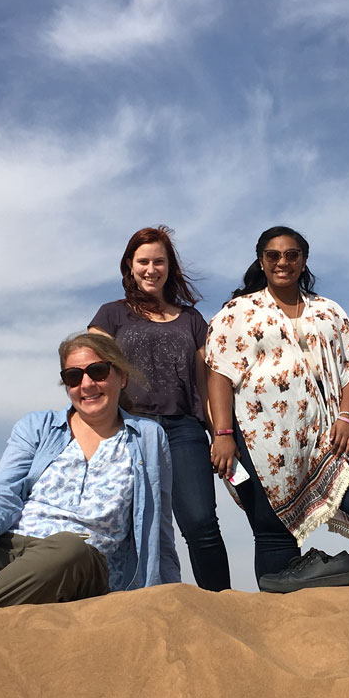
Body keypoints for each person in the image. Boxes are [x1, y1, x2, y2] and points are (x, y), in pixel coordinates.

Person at [206, 226, 349, 583]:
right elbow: (220, 373)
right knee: (273, 530)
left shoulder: (328, 310)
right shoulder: (238, 312)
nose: (282, 262)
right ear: (261, 260)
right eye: (273, 255)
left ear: (303, 261)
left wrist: (347, 416)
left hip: (331, 434)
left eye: (291, 255)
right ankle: (281, 618)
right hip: (263, 442)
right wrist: (222, 433)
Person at [0, 331, 180, 593]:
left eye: (98, 371)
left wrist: (168, 592)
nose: (86, 384)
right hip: (12, 546)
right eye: (73, 377)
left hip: (83, 564)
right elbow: (3, 490)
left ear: (121, 377)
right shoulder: (37, 426)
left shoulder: (148, 437)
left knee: (70, 548)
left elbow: (159, 522)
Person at [89, 226, 229, 591]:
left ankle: (225, 607)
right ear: (130, 267)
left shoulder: (192, 320)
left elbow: (206, 382)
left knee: (201, 522)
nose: (152, 269)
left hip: (183, 428)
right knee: (126, 523)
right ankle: (122, 607)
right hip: (128, 428)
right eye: (144, 261)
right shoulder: (111, 315)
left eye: (159, 261)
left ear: (170, 267)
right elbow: (90, 371)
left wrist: (221, 434)